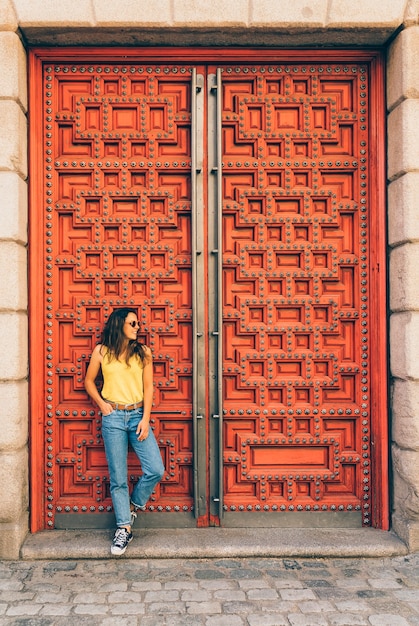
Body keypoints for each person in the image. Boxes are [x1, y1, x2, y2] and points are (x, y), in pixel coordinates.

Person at [84, 307, 165, 555]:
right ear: (119, 325)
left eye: (137, 323)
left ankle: (133, 505)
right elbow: (89, 381)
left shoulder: (143, 353)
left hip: (137, 416)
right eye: (132, 323)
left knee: (155, 469)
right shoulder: (101, 351)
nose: (137, 327)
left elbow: (149, 388)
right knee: (118, 477)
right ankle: (124, 529)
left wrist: (145, 418)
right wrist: (103, 405)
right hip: (114, 418)